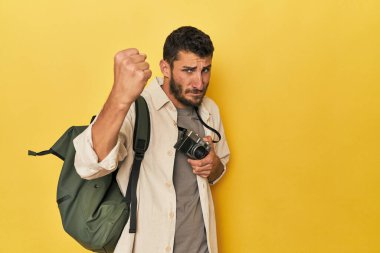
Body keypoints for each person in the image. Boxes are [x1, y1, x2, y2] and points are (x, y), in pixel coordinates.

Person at [73, 26, 230, 253]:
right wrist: (119, 95)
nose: (199, 82)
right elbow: (88, 165)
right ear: (165, 67)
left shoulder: (210, 110)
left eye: (205, 70)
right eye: (188, 70)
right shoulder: (135, 107)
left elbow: (219, 169)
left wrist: (213, 165)